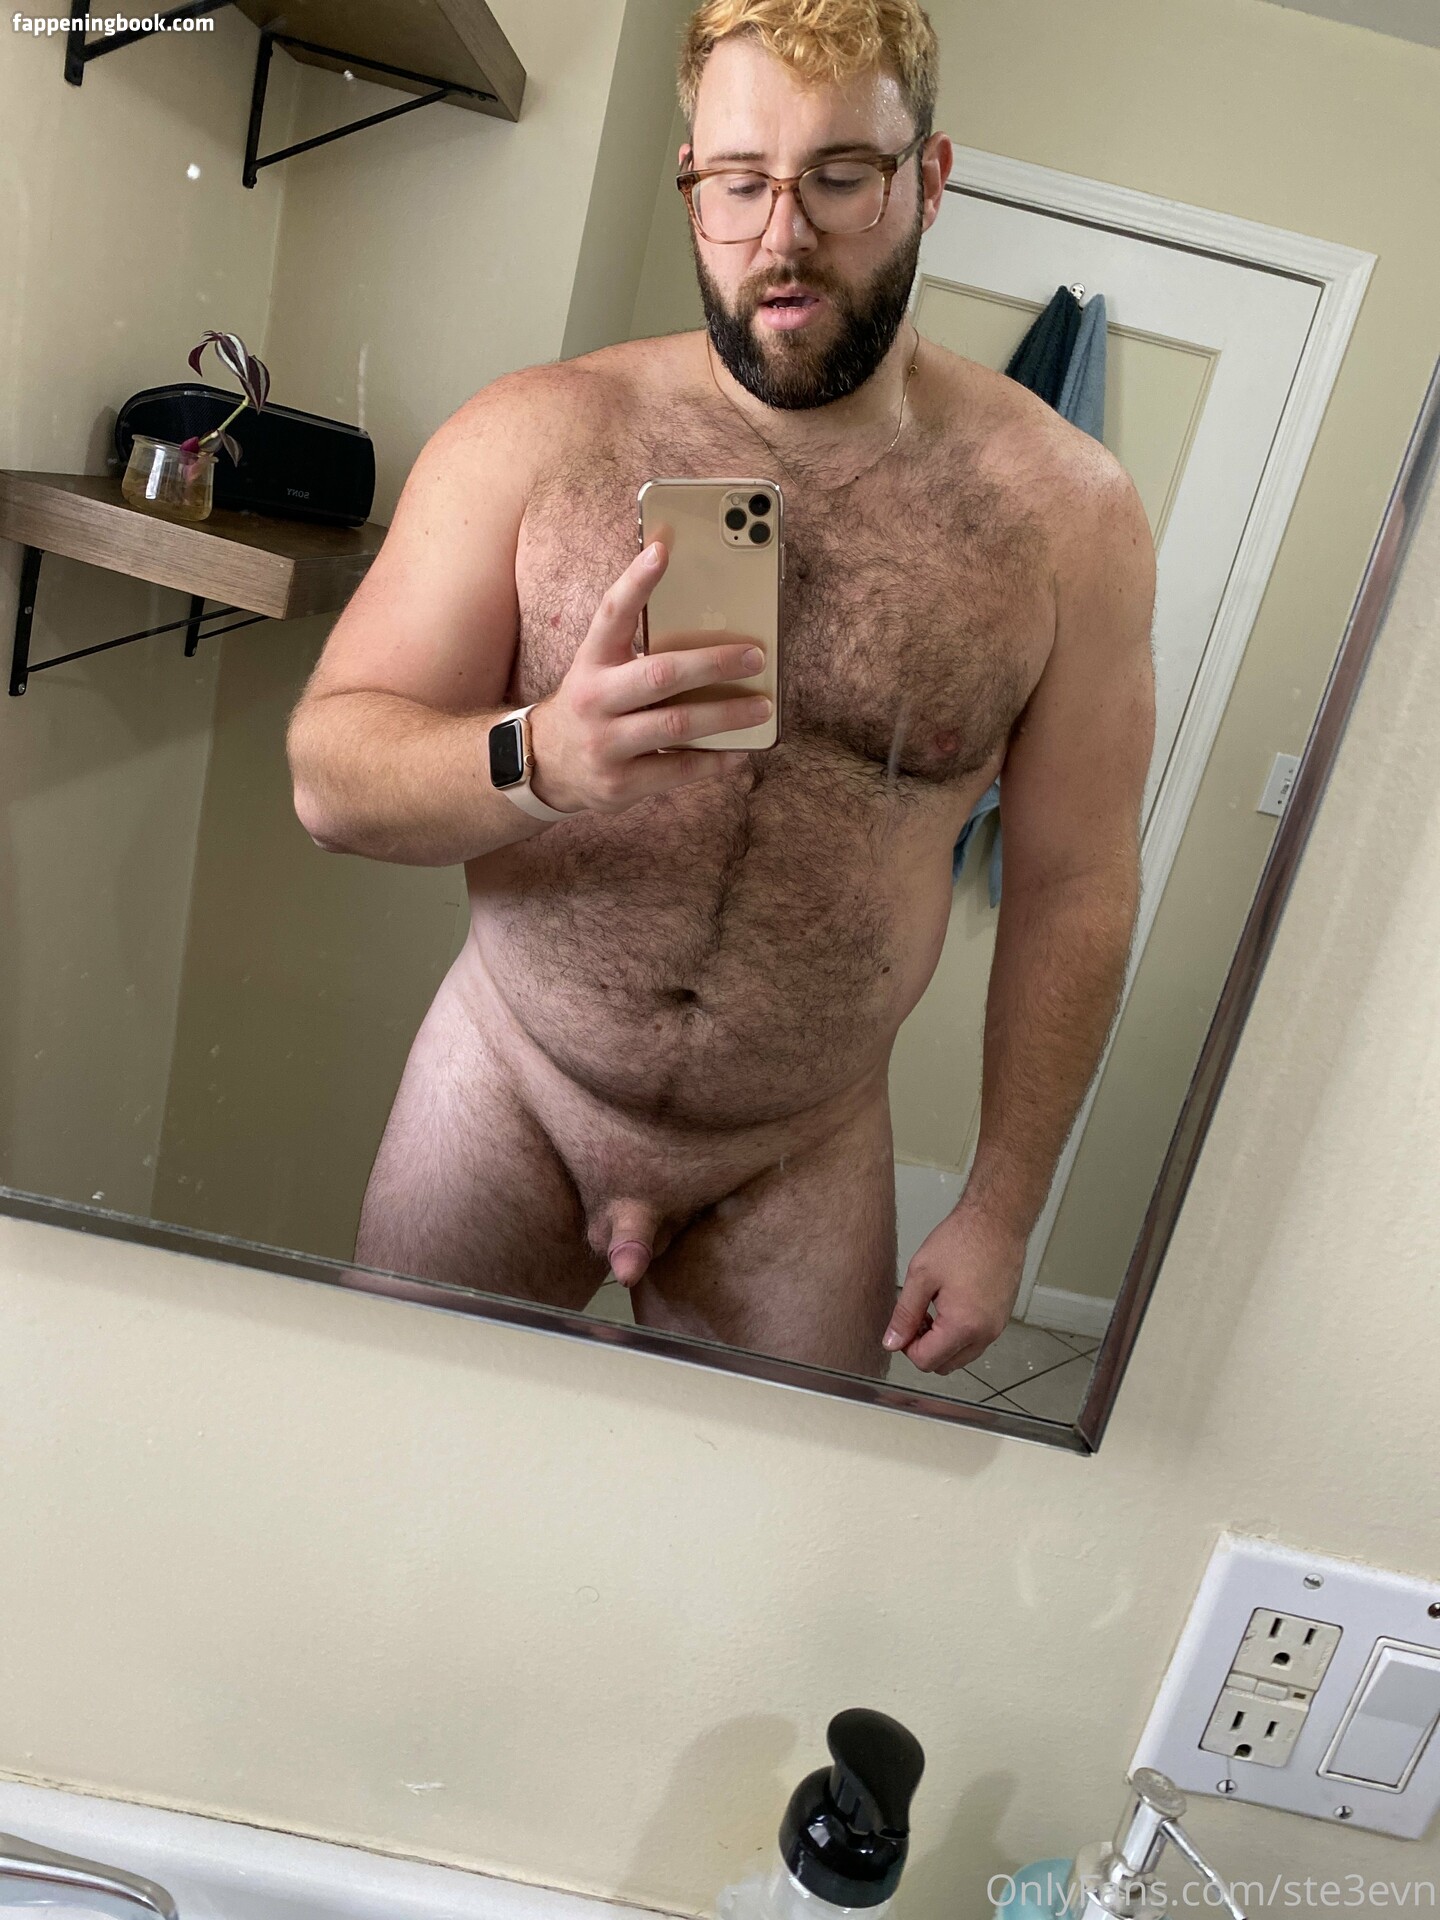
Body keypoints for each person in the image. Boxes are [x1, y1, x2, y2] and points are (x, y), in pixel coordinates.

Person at [285, 0, 1156, 1381]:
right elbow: (330, 779)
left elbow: (1076, 885)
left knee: (766, 1519)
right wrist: (537, 759)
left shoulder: (1069, 519)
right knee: (387, 1441)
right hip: (508, 1084)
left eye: (839, 177)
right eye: (739, 183)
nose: (781, 236)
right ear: (690, 181)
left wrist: (1000, 1208)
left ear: (928, 179)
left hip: (803, 1152)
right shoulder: (533, 435)